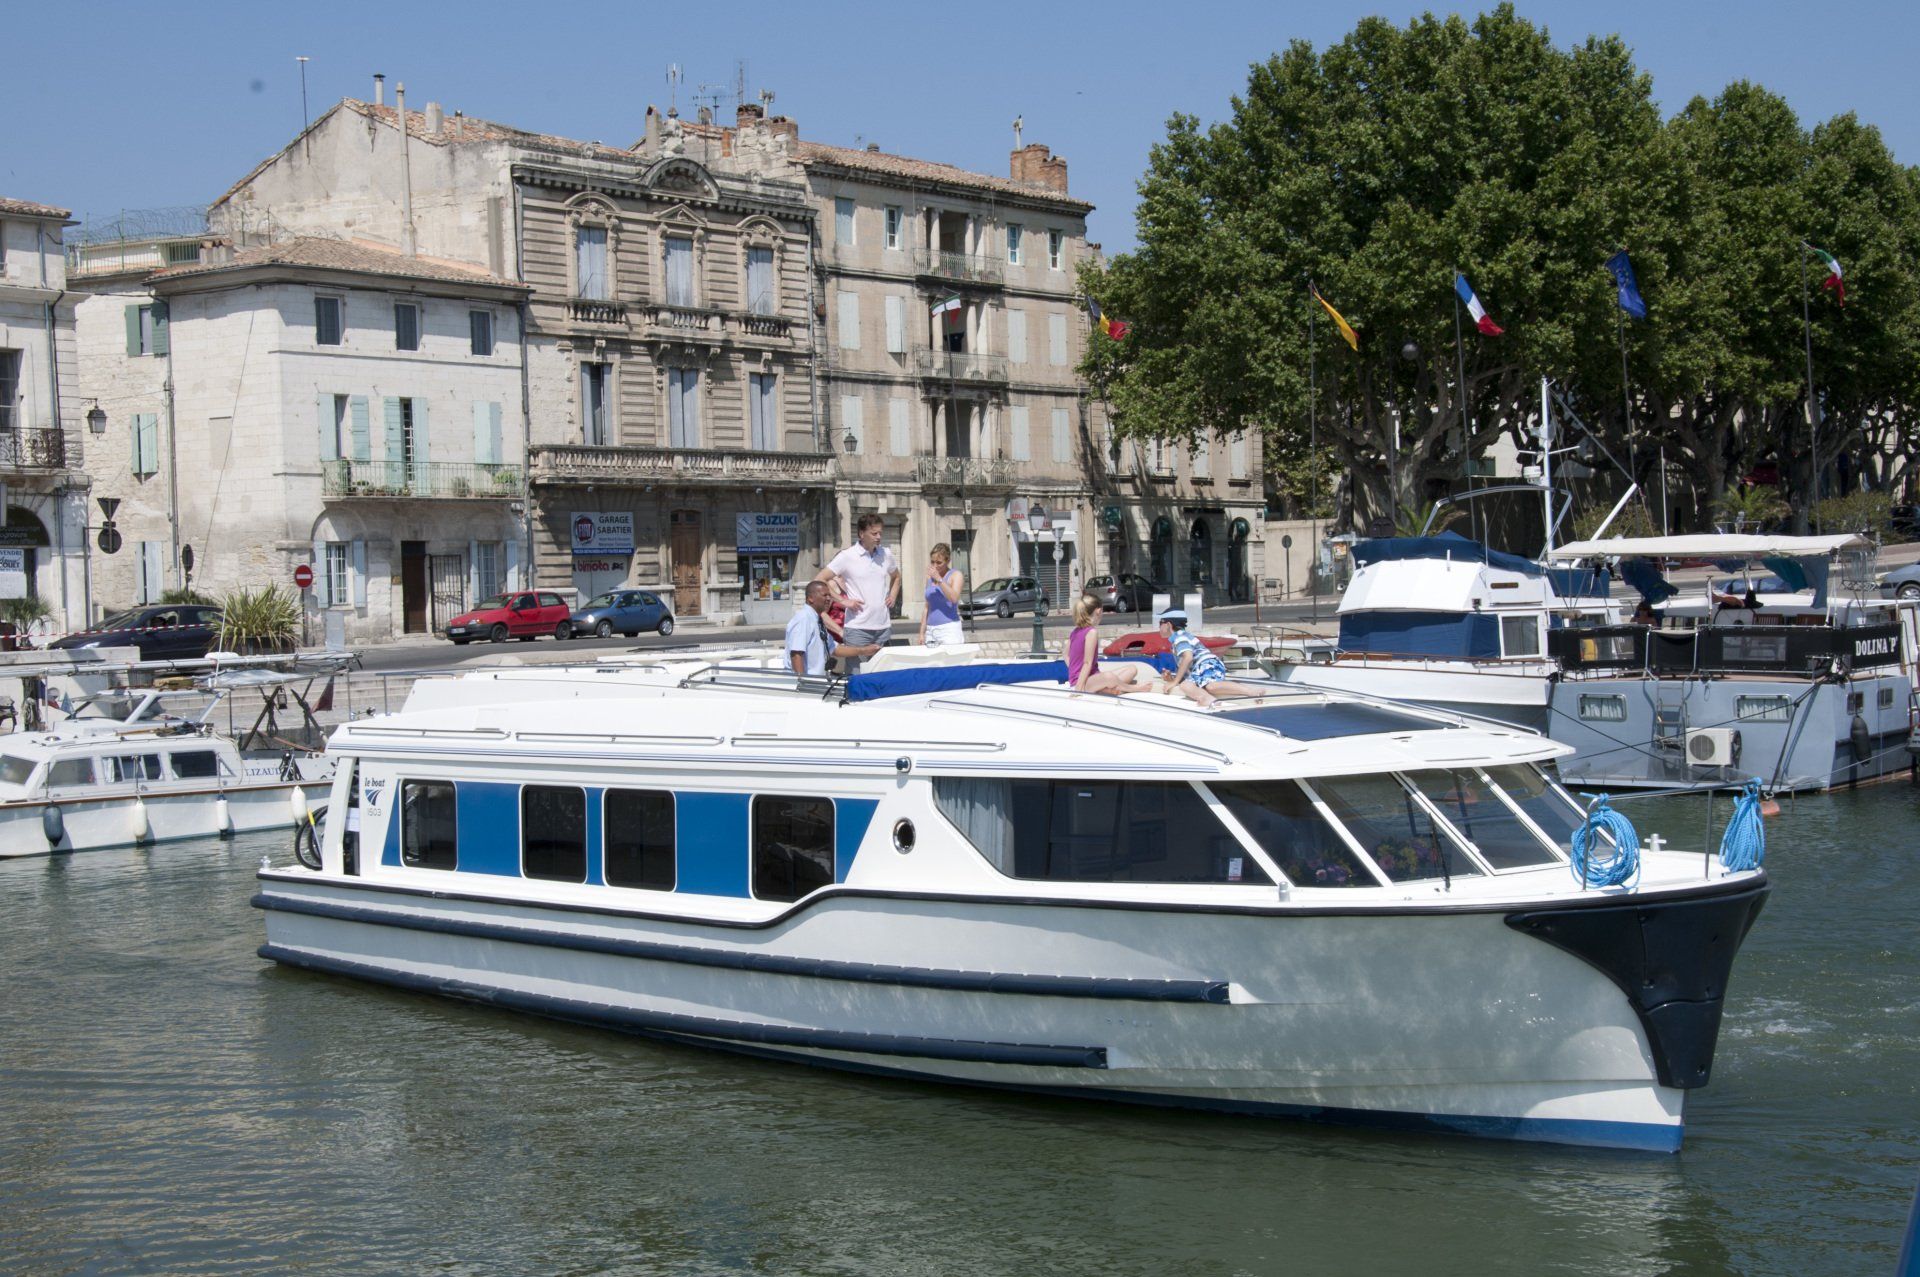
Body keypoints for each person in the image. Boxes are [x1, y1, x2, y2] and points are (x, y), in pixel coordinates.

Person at [815, 513, 900, 674]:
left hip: (883, 627)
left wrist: (893, 596)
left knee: (883, 675)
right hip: (858, 629)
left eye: (880, 533)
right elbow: (820, 579)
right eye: (874, 533)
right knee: (856, 677)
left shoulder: (886, 554)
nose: (879, 537)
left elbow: (896, 577)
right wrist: (842, 601)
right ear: (862, 534)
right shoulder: (847, 556)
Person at [1159, 609, 1260, 707]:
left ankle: (1252, 691)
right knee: (1186, 685)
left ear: (1168, 625)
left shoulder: (1179, 637)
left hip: (1206, 663)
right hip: (1203, 666)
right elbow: (1186, 669)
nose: (1158, 626)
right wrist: (1171, 679)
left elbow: (1188, 657)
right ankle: (1209, 699)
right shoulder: (1180, 638)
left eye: (1160, 623)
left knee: (1211, 686)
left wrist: (1175, 681)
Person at [1066, 594, 1159, 696]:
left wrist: (1073, 671)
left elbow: (1065, 654)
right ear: (1099, 611)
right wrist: (1078, 688)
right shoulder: (1091, 632)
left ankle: (1105, 689)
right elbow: (1087, 663)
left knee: (1131, 669)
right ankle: (1133, 688)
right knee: (1109, 676)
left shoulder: (1075, 631)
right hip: (1082, 683)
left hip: (1090, 679)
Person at [786, 581, 880, 677]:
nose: (828, 599)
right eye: (824, 595)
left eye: (829, 595)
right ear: (810, 598)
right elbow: (796, 654)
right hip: (808, 684)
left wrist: (864, 650)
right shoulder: (803, 619)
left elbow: (835, 648)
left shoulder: (816, 619)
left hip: (819, 680)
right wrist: (803, 683)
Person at [918, 543, 966, 646]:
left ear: (947, 561)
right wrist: (922, 633)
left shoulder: (955, 575)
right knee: (931, 662)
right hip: (931, 630)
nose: (935, 566)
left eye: (939, 563)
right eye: (932, 562)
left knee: (951, 661)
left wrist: (939, 579)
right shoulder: (929, 578)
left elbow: (954, 598)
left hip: (949, 629)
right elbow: (927, 607)